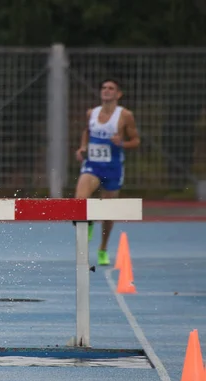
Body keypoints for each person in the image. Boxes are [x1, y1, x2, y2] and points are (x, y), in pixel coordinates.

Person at [74, 78, 140, 266]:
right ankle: (88, 222)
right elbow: (87, 131)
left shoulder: (125, 115)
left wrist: (123, 143)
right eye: (103, 87)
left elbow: (136, 141)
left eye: (111, 88)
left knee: (108, 213)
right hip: (93, 165)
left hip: (113, 168)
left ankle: (103, 247)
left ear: (118, 94)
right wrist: (82, 148)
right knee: (80, 200)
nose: (106, 90)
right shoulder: (91, 113)